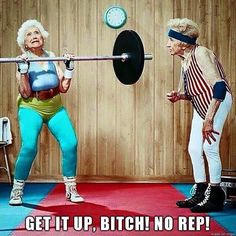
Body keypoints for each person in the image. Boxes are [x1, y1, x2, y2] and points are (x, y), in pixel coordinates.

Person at [9, 19, 84, 205]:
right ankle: (17, 191)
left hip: (54, 106)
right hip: (31, 107)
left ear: (42, 37)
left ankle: (70, 189)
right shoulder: (22, 60)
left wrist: (70, 68)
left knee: (70, 143)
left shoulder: (51, 56)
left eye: (37, 33)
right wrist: (24, 70)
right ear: (24, 43)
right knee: (29, 147)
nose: (34, 36)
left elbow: (64, 87)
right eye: (29, 35)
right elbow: (25, 93)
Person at [166, 18, 232, 212]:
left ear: (183, 42)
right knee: (194, 148)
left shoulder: (201, 53)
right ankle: (200, 191)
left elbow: (218, 87)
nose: (167, 44)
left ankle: (216, 195)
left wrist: (209, 119)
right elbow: (196, 91)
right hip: (201, 104)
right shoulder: (184, 60)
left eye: (171, 40)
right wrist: (180, 96)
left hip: (217, 101)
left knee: (209, 148)